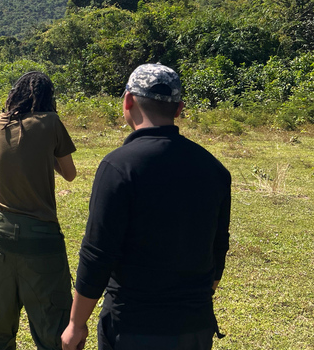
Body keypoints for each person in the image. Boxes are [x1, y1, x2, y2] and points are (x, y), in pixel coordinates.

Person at [61, 63, 231, 350]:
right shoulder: (214, 169)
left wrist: (76, 325)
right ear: (178, 109)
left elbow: (98, 253)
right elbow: (218, 247)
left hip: (133, 325)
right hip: (195, 326)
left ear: (127, 101)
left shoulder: (118, 167)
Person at [0, 71, 78, 350]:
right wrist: (48, 154)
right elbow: (69, 174)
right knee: (53, 330)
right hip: (41, 237)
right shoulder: (51, 123)